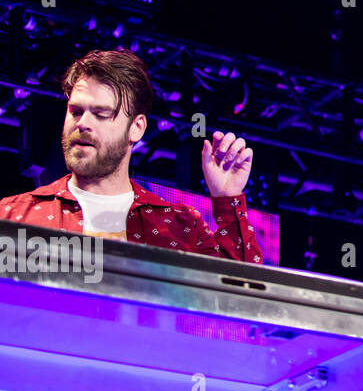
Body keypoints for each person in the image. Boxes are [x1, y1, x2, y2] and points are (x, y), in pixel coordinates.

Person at [0, 48, 263, 263]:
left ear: (136, 128)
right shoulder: (14, 215)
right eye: (76, 111)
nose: (82, 124)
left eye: (102, 114)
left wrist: (227, 201)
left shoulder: (177, 224)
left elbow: (240, 302)